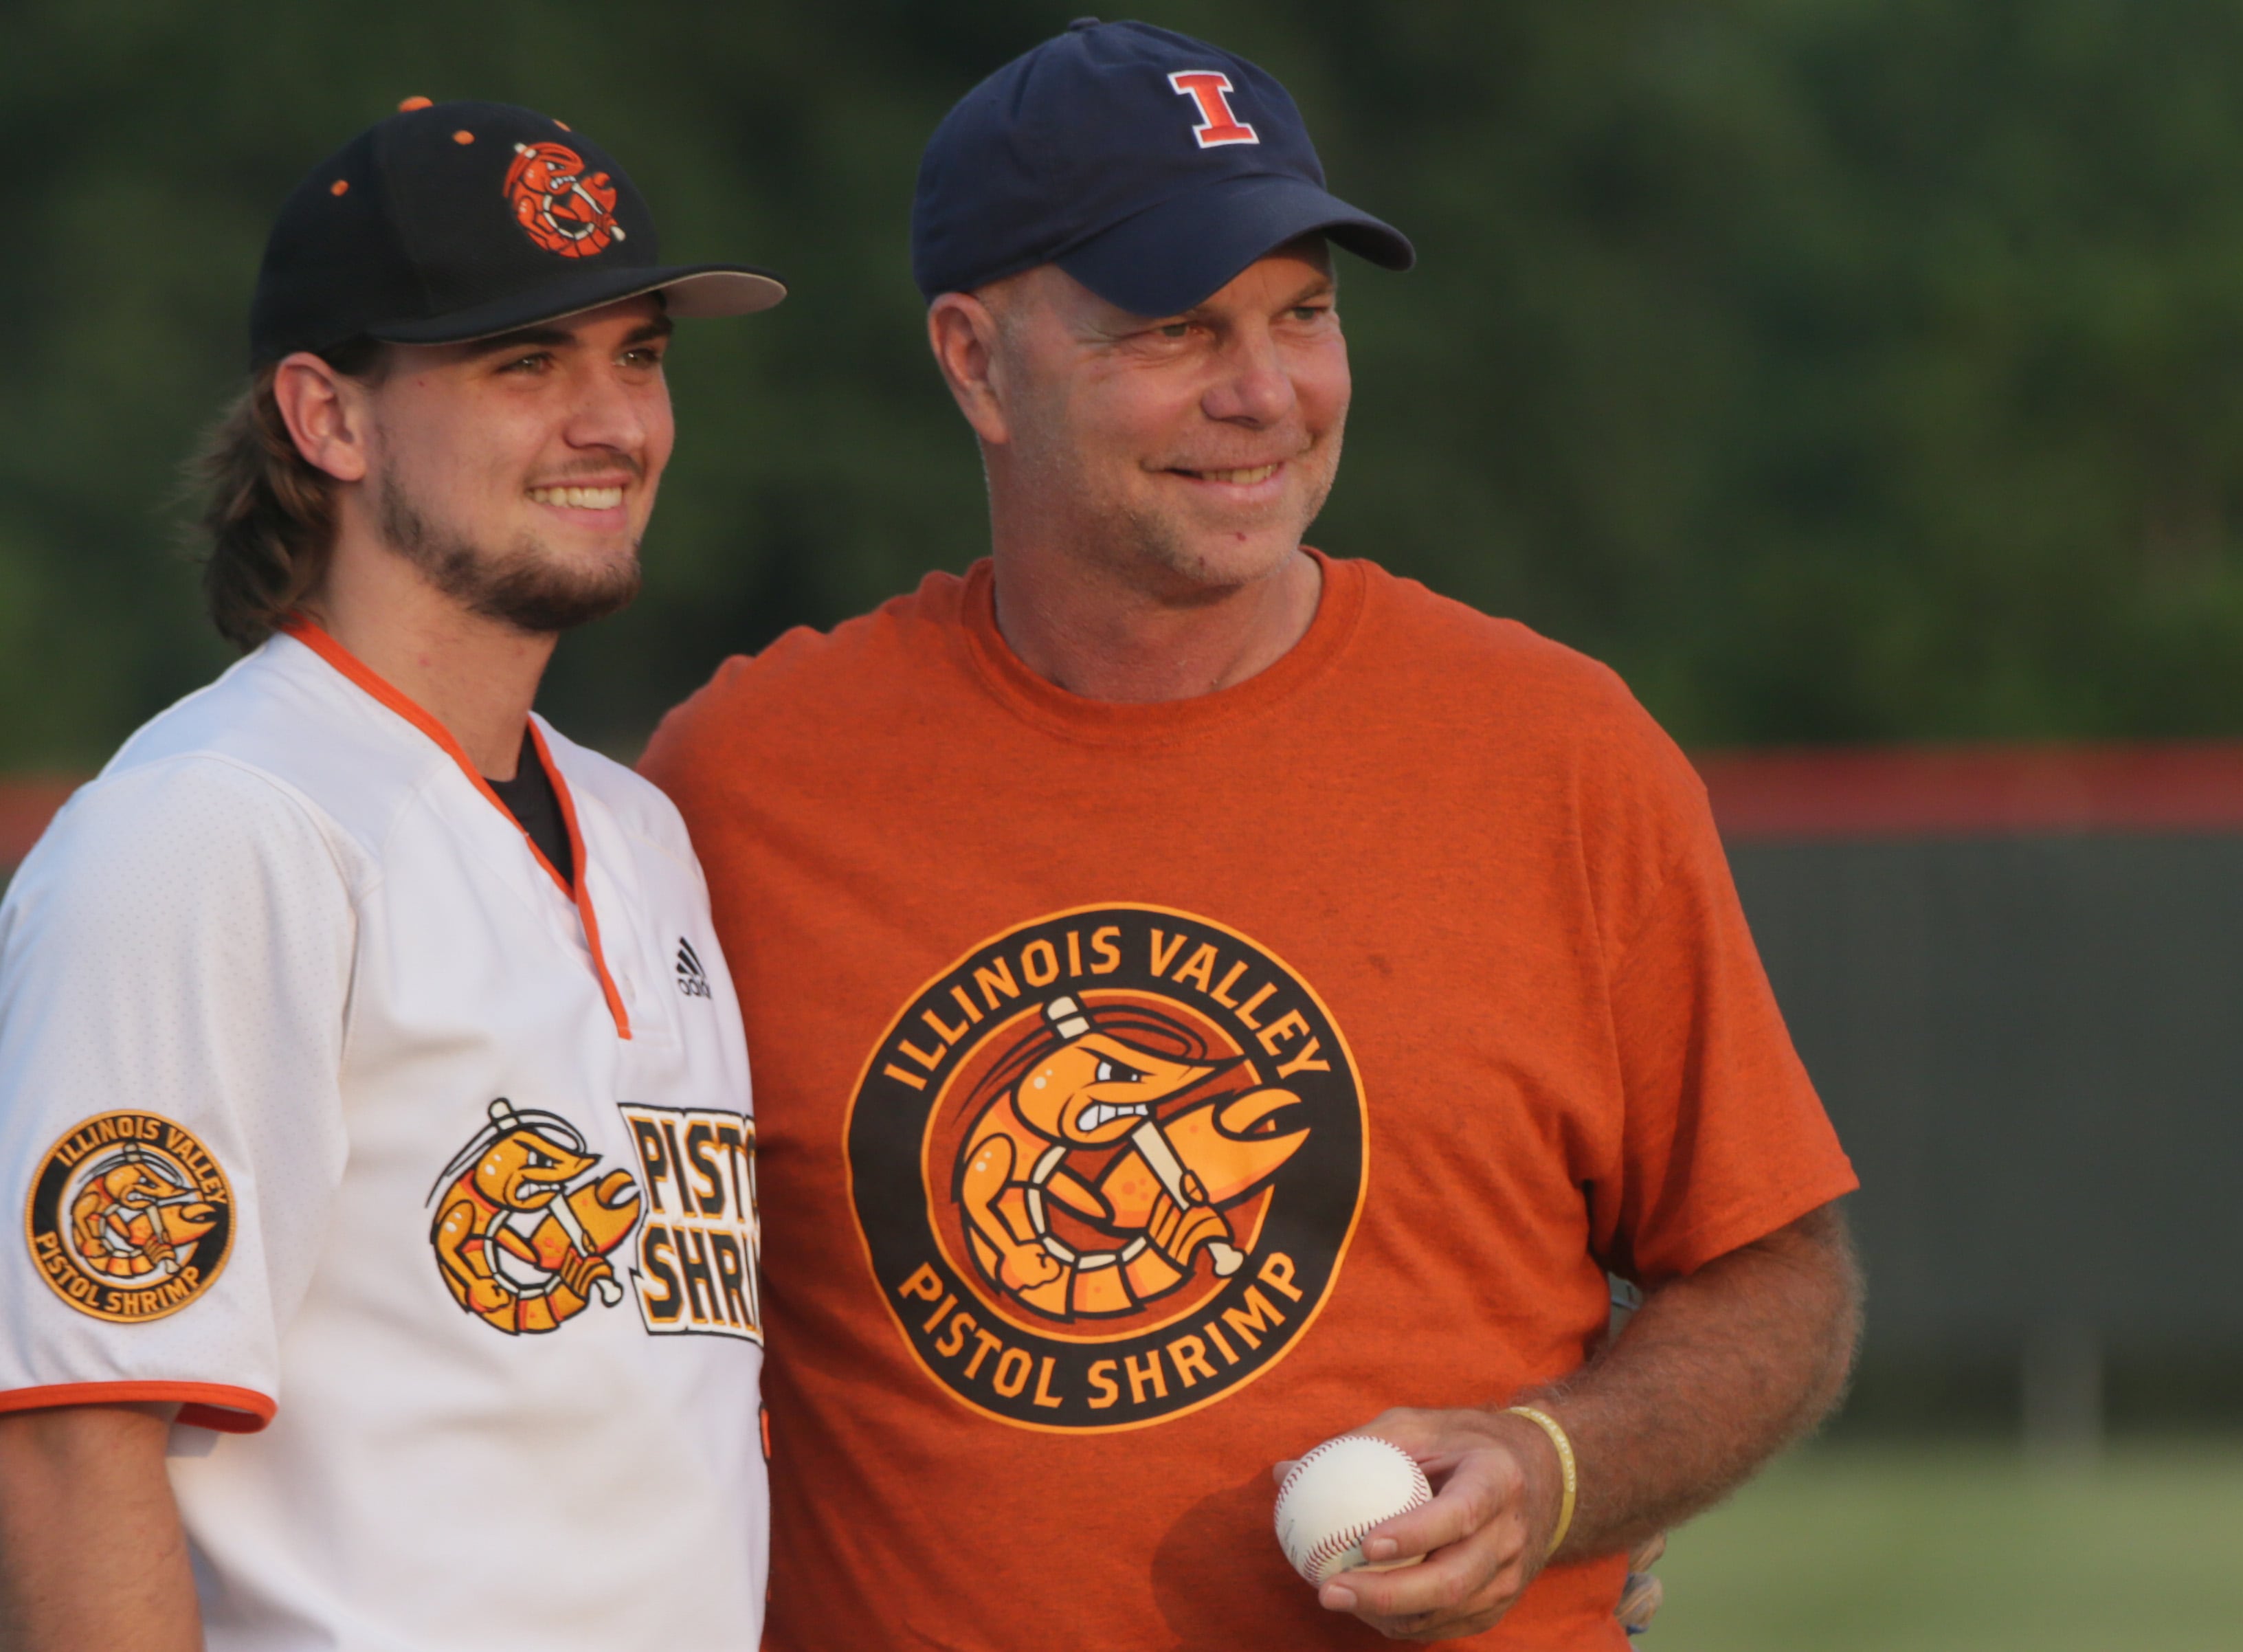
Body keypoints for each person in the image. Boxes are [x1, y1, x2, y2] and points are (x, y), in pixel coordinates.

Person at [643, 19, 1862, 1651]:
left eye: (1307, 313)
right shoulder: (737, 789)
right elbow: (643, 1334)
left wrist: (1561, 1470)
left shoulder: (1563, 753)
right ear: (973, 360)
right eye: (1175, 326)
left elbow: (1775, 1284)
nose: (1266, 391)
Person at [0, 99, 782, 1651]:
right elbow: (69, 1446)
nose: (612, 420)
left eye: (639, 354)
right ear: (328, 416)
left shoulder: (639, 829)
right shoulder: (214, 829)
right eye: (523, 362)